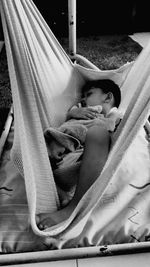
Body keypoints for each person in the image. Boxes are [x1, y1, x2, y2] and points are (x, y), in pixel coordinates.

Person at [37, 79, 122, 229]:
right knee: (19, 151)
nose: (83, 99)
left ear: (108, 98)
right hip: (48, 161)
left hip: (79, 167)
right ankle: (61, 194)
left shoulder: (112, 114)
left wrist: (108, 118)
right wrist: (73, 112)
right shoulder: (78, 109)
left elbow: (111, 123)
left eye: (88, 94)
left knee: (98, 133)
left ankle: (73, 208)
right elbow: (69, 118)